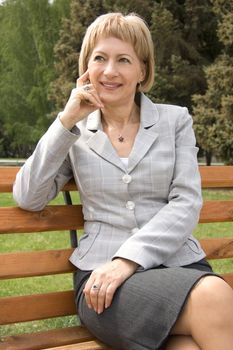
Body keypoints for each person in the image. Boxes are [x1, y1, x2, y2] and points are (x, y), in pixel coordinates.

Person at [13, 12, 233, 350]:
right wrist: (66, 120)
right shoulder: (74, 133)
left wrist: (127, 260)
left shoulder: (175, 121)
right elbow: (28, 197)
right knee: (216, 296)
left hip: (177, 264)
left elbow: (186, 203)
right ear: (85, 66)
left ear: (142, 70)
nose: (110, 70)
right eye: (99, 58)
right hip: (103, 286)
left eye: (124, 60)